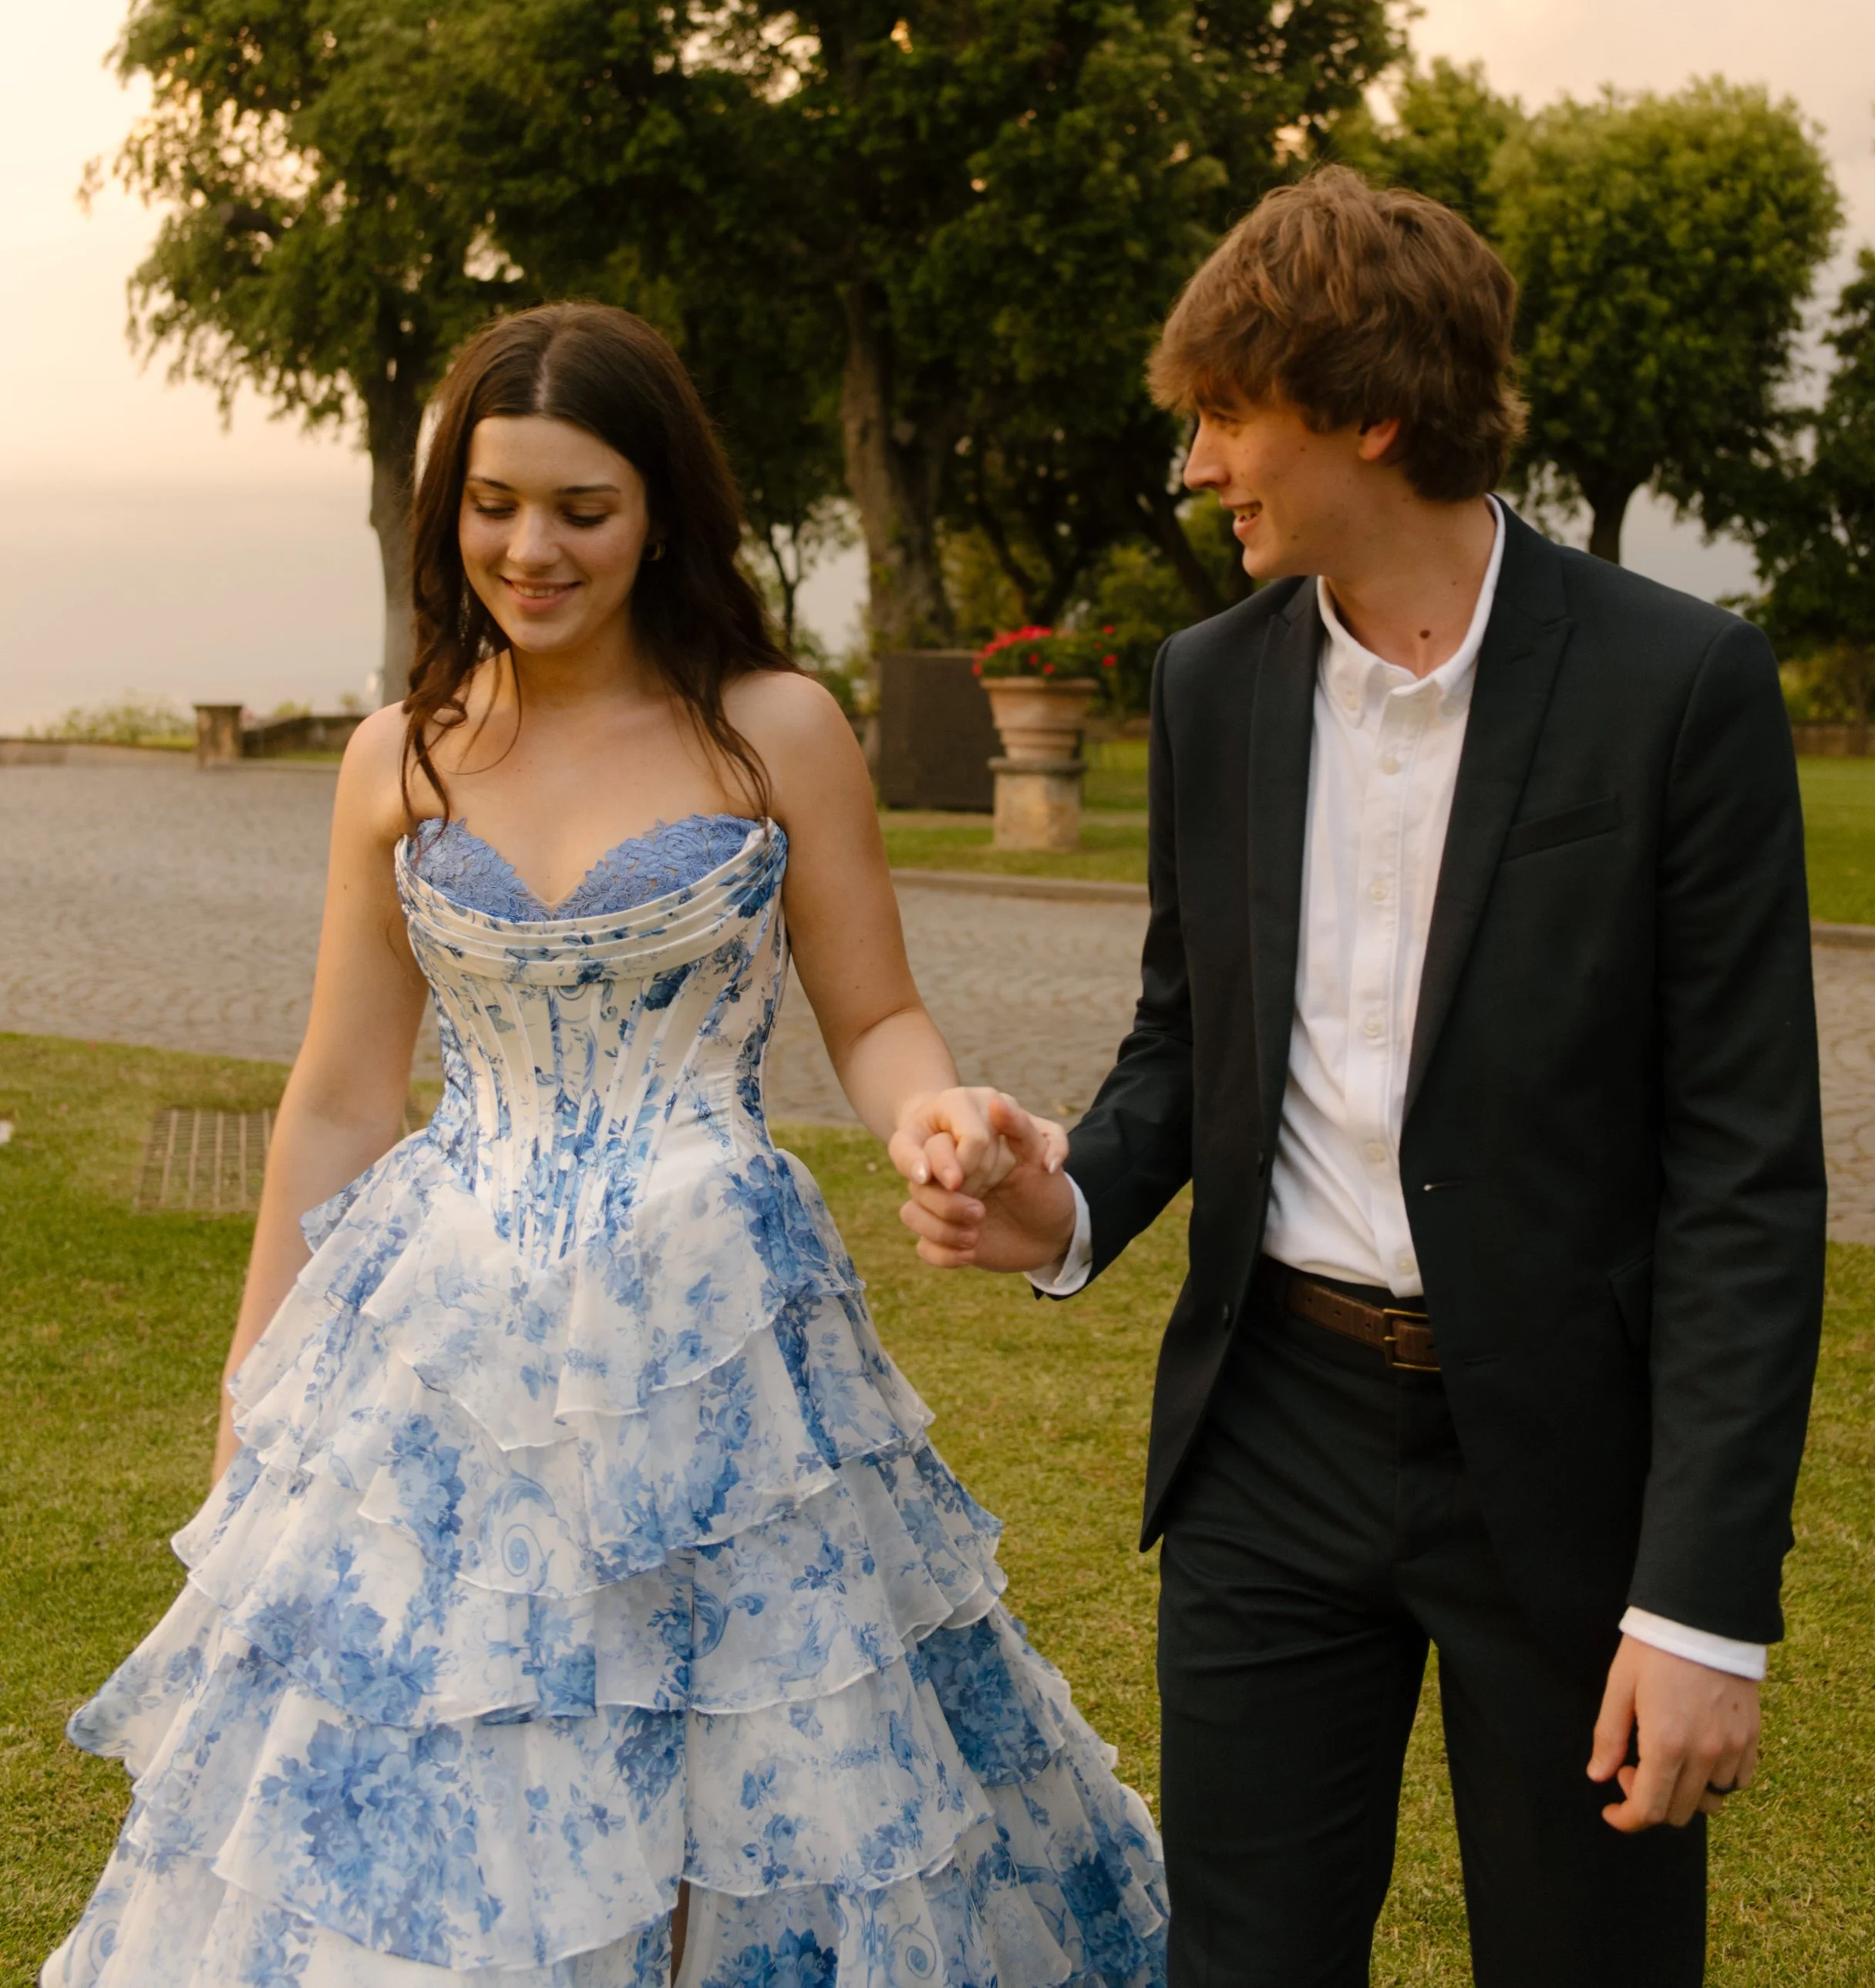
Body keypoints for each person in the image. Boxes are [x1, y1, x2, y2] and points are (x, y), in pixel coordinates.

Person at [45, 302, 1166, 1988]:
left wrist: (932, 1112)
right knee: (446, 1770)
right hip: (445, 1353)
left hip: (719, 1341)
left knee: (748, 1765)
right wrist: (251, 1397)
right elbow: (341, 1095)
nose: (531, 549)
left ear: (660, 512)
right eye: (494, 505)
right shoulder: (399, 757)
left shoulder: (776, 729)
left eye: (583, 507)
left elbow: (873, 1015)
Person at [893, 170, 1826, 1988]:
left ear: (1370, 413)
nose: (1197, 466)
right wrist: (1063, 1196)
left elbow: (1743, 1174)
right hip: (1270, 1436)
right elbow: (1189, 1039)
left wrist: (1702, 1604)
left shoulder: (1675, 685)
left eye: (1225, 417)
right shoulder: (1208, 683)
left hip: (1562, 1461)